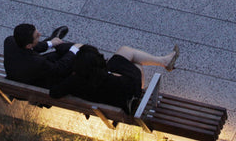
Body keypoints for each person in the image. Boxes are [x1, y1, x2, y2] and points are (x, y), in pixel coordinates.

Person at [49, 43, 179, 114]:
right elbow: (129, 80)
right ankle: (163, 61)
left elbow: (54, 92)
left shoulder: (75, 81)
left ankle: (164, 61)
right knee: (135, 61)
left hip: (110, 95)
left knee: (125, 53)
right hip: (130, 96)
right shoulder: (112, 80)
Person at [3, 23, 83, 88]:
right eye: (37, 36)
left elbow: (33, 47)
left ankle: (55, 41)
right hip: (34, 85)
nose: (40, 34)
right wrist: (74, 50)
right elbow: (58, 69)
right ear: (29, 46)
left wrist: (50, 43)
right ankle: (74, 48)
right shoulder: (37, 62)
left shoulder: (10, 41)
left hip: (17, 75)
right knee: (67, 59)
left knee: (57, 54)